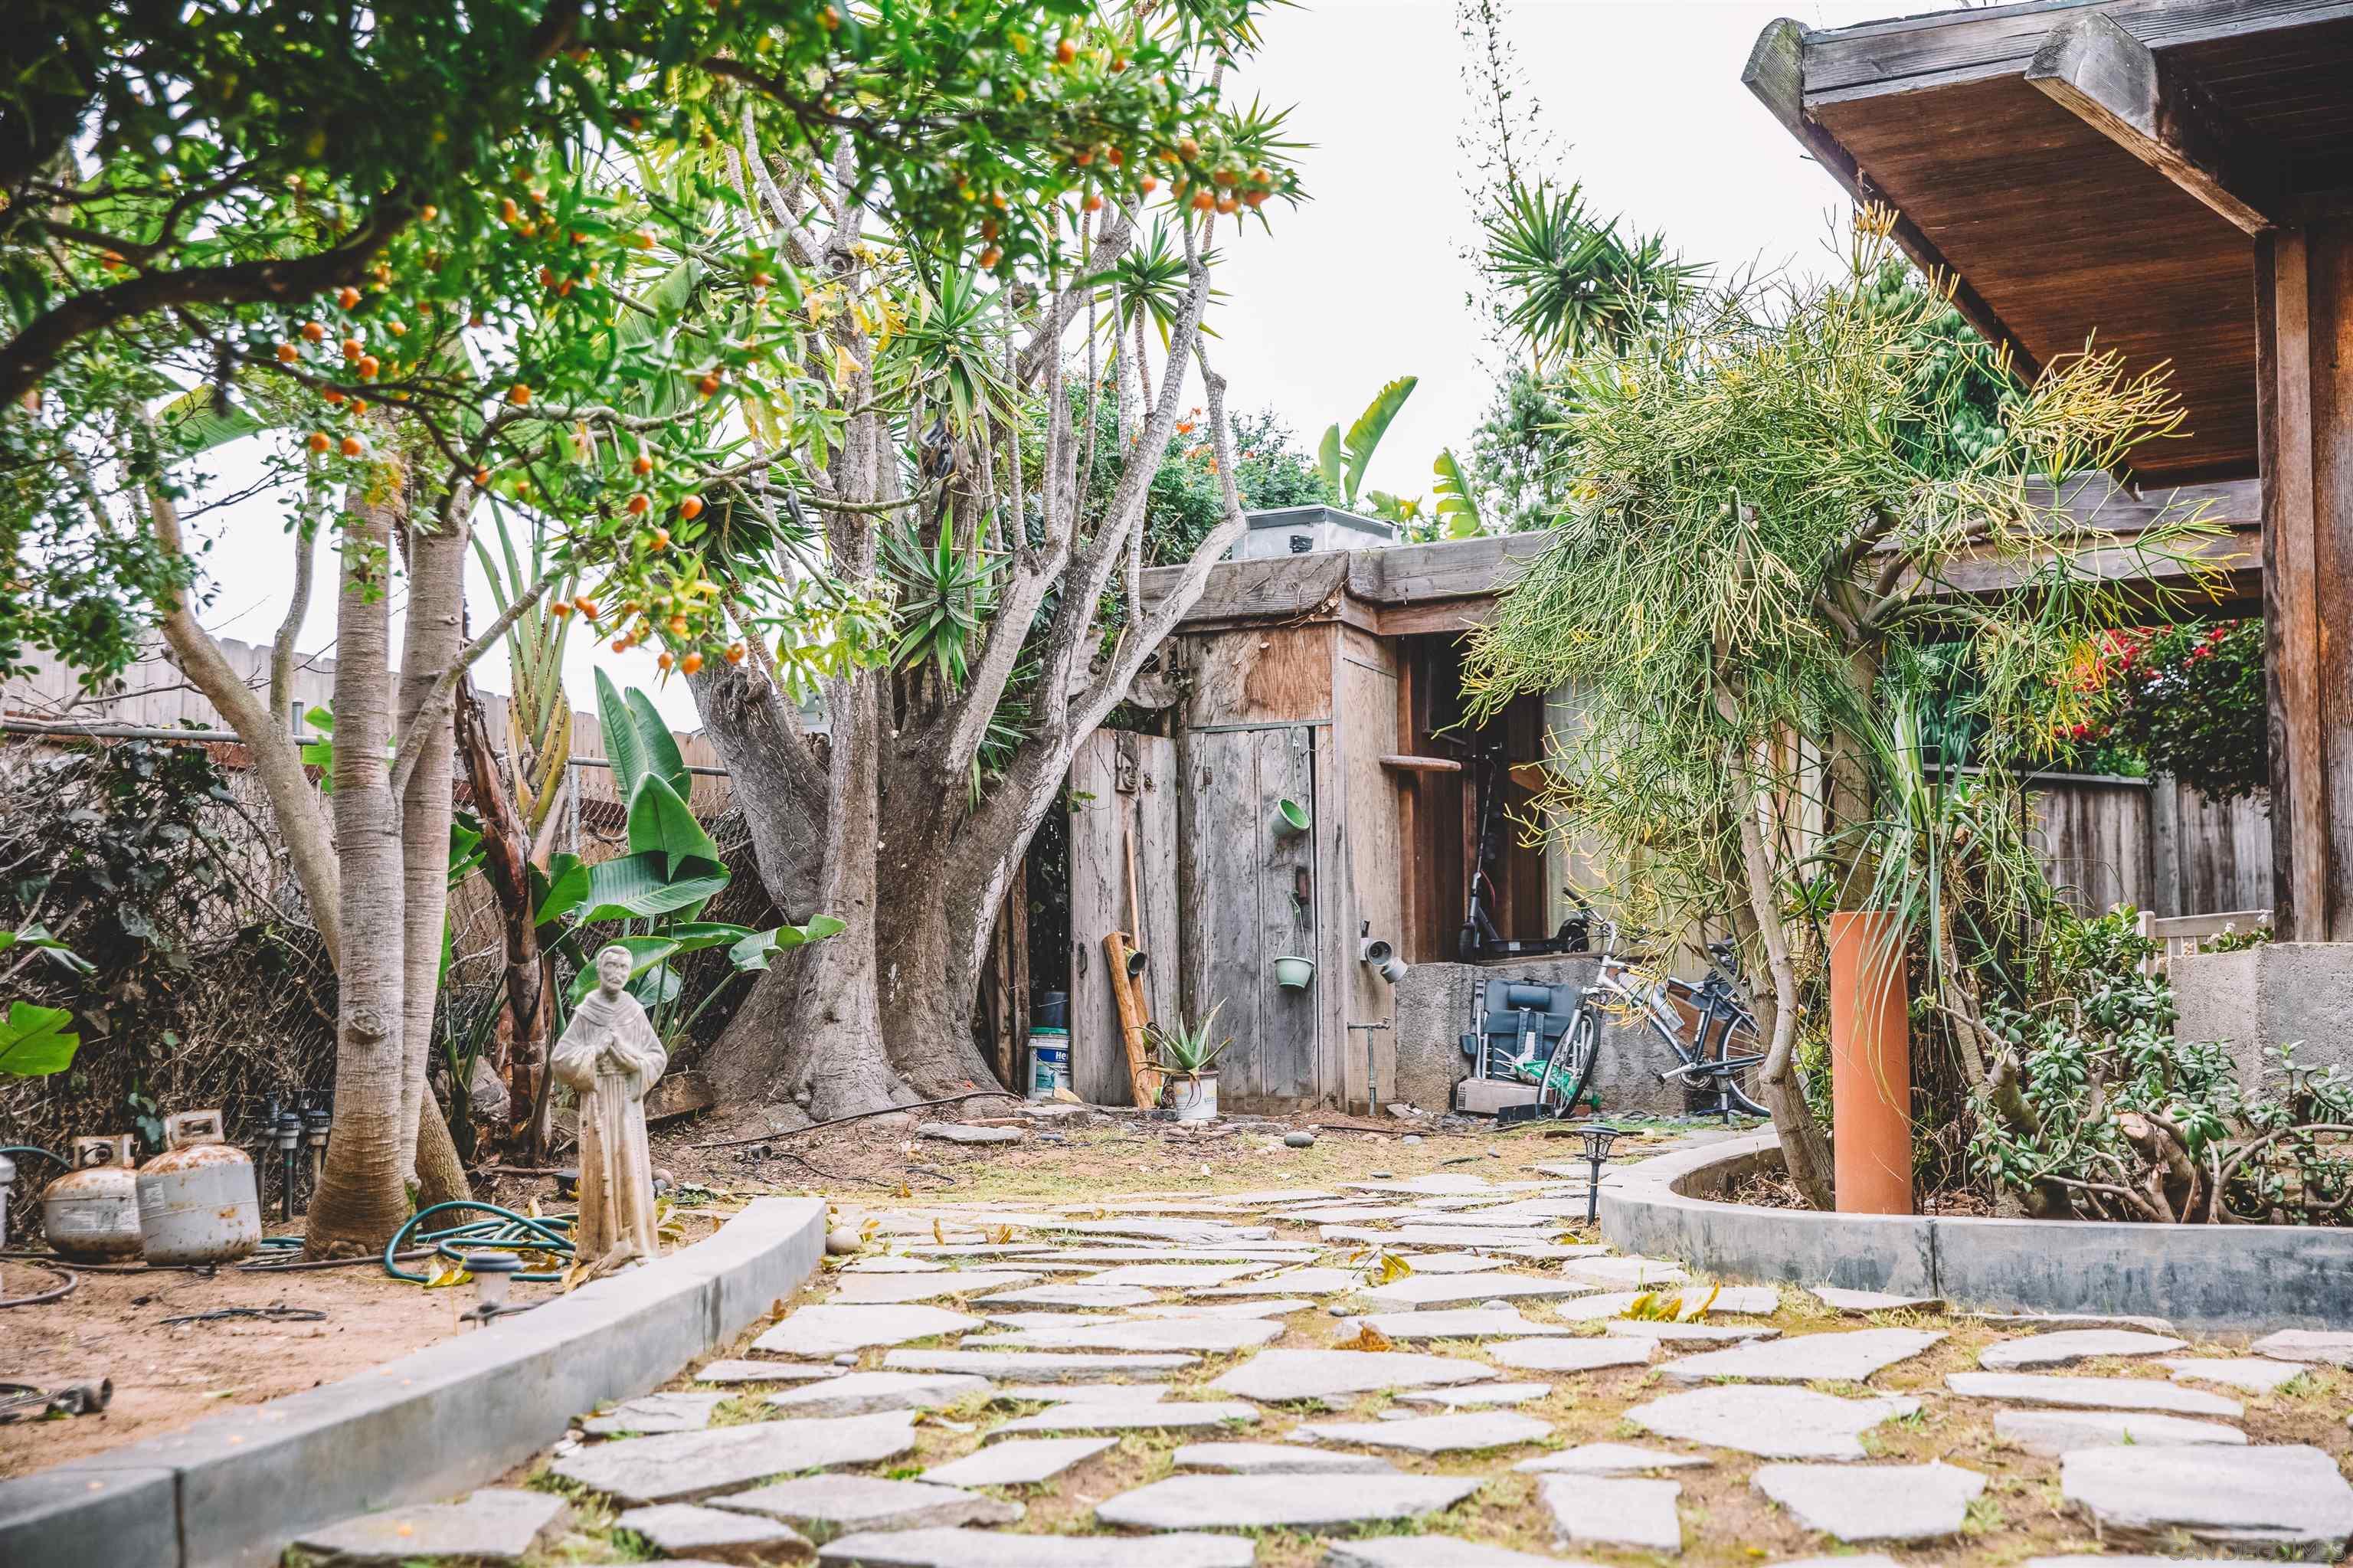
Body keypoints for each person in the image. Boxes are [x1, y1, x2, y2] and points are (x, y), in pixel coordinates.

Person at [551, 944, 668, 1268]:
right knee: (601, 1168)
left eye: (622, 968)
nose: (616, 973)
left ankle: (637, 1245)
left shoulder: (633, 1010)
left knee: (630, 1164)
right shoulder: (588, 1011)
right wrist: (595, 1052)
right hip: (599, 1098)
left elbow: (657, 1055)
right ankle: (600, 1249)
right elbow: (560, 1060)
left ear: (628, 973)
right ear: (600, 971)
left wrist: (633, 1062)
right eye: (610, 966)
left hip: (627, 1102)